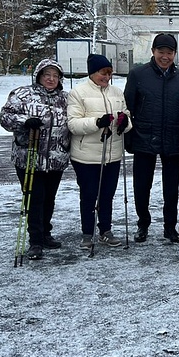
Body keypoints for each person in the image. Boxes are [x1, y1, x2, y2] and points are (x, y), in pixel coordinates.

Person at [123, 33, 179, 244]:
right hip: (144, 137)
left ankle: (169, 227)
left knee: (171, 187)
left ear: (174, 54)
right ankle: (143, 224)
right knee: (142, 186)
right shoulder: (138, 74)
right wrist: (129, 138)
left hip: (173, 139)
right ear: (153, 52)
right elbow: (128, 108)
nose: (165, 56)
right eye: (161, 52)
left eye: (169, 52)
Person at [0, 59, 70, 259]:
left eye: (55, 76)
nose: (51, 79)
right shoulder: (22, 94)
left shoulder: (65, 99)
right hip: (29, 157)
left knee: (49, 199)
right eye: (47, 74)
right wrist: (24, 121)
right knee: (34, 198)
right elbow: (5, 117)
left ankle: (46, 232)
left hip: (56, 158)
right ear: (38, 75)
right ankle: (35, 240)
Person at [67, 53, 131, 250]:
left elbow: (127, 115)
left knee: (107, 195)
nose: (107, 77)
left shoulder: (117, 92)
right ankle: (87, 232)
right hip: (86, 155)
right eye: (103, 73)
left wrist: (125, 122)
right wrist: (97, 122)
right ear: (93, 73)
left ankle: (105, 230)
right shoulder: (78, 92)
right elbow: (73, 124)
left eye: (109, 73)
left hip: (112, 153)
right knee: (89, 195)